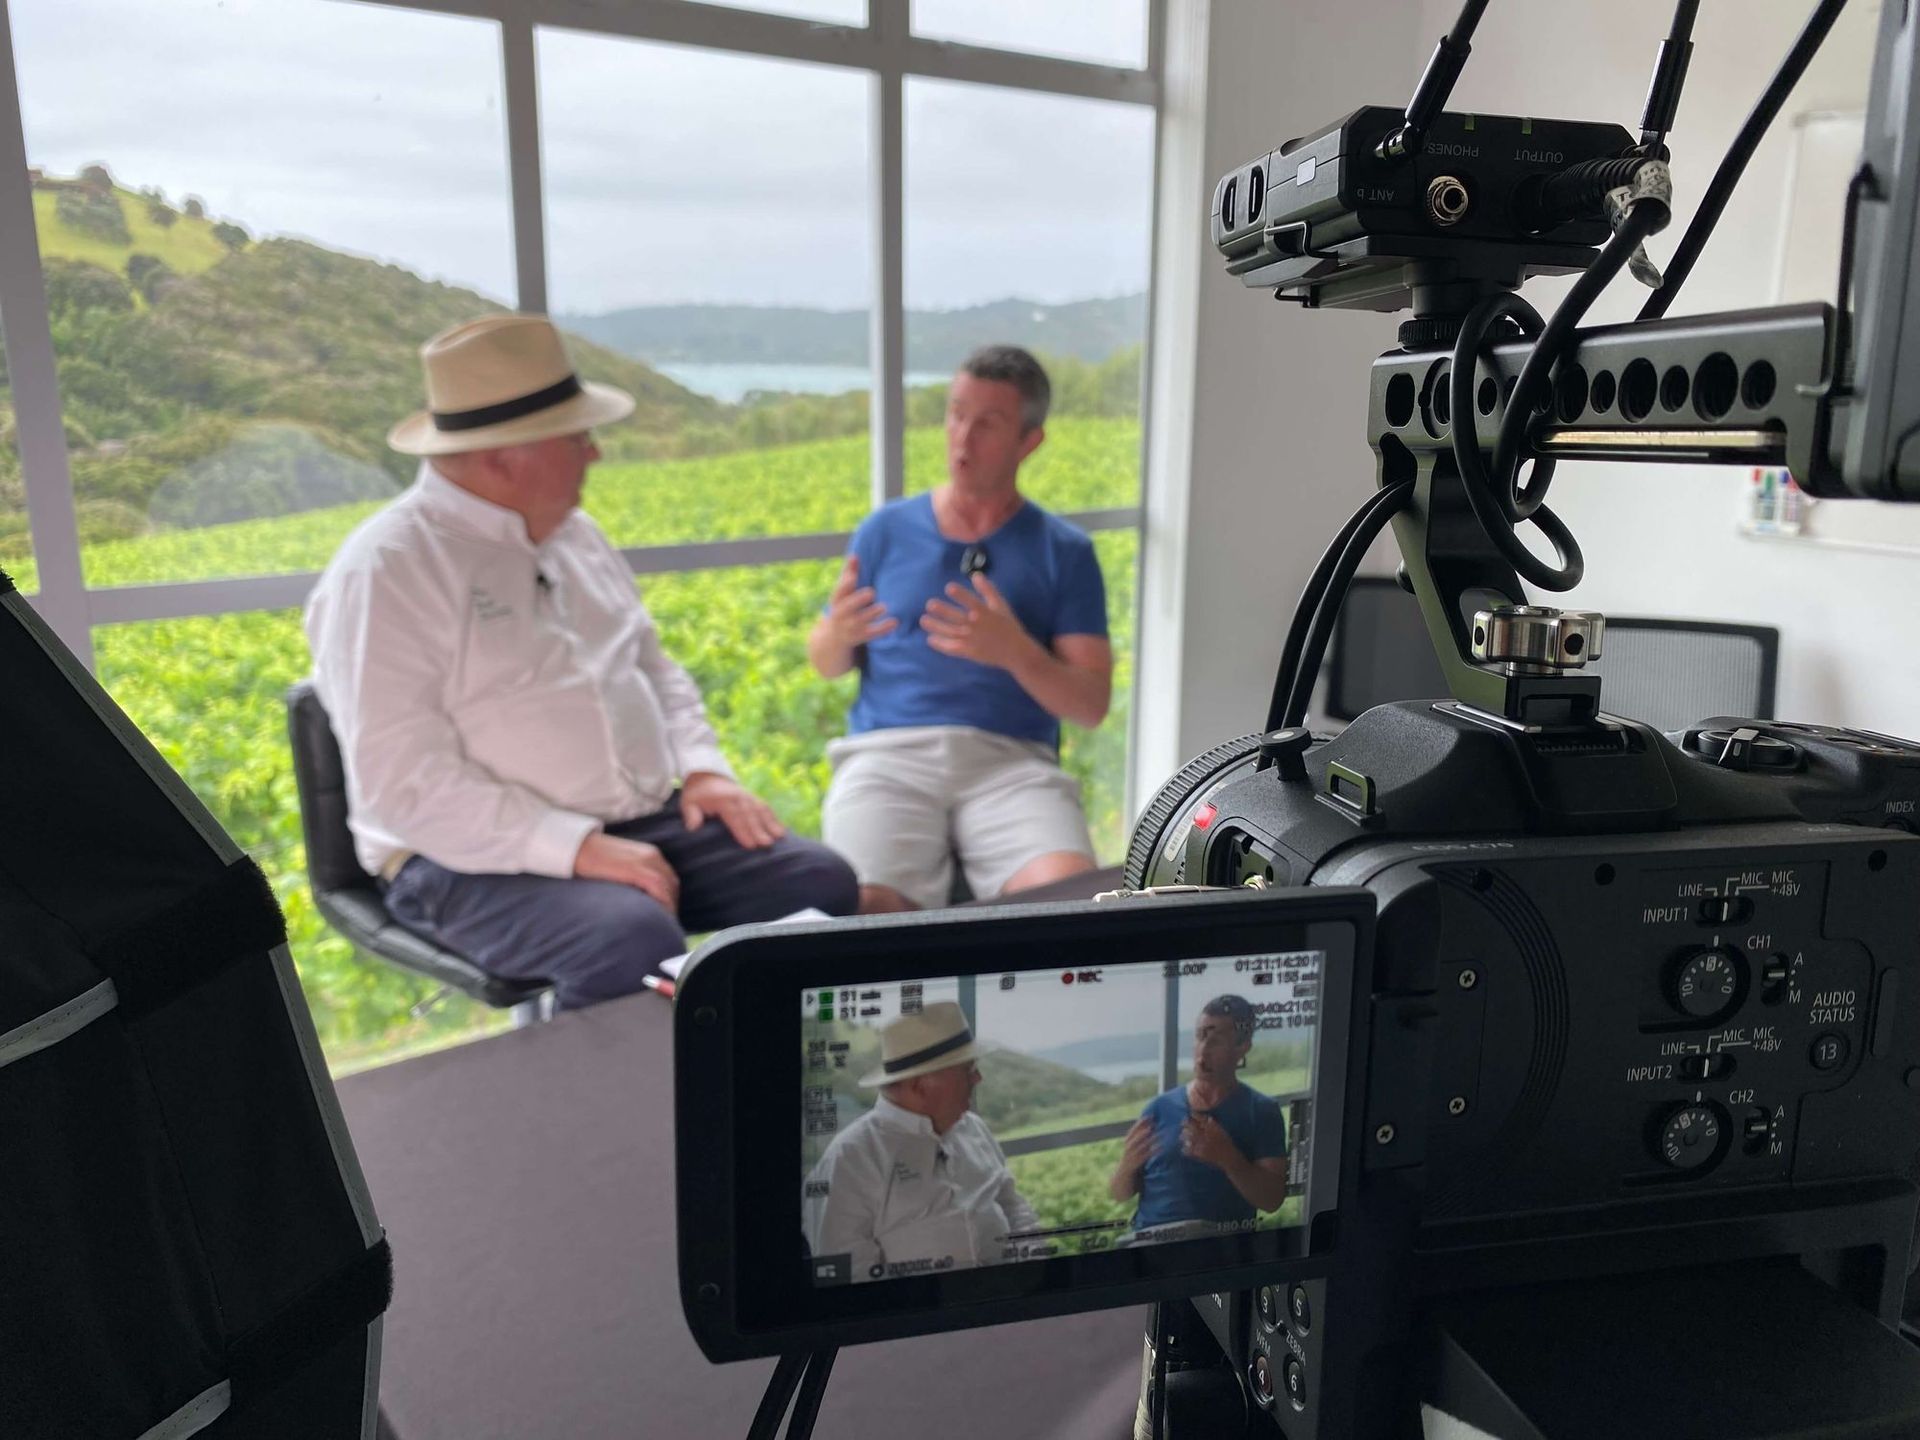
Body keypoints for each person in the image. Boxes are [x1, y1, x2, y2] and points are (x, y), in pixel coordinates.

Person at [303, 314, 857, 1009]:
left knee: (819, 883)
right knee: (625, 938)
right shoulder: (385, 573)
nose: (594, 454)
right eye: (577, 437)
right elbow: (405, 787)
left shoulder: (579, 535)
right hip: (453, 857)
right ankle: (606, 1109)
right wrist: (573, 847)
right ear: (504, 454)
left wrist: (705, 768)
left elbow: (655, 670)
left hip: (640, 819)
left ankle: (767, 1082)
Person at [808, 345, 1112, 913]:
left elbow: (1091, 705)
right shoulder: (884, 531)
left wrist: (1017, 653)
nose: (962, 438)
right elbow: (826, 661)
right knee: (865, 913)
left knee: (1068, 904)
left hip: (1011, 764)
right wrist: (838, 634)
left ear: (1030, 442)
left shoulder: (1064, 552)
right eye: (955, 414)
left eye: (987, 424)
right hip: (886, 758)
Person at [803, 1002, 1039, 1280]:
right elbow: (848, 1280)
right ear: (919, 1085)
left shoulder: (974, 1129)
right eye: (968, 1069)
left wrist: (1033, 1269)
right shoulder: (849, 1160)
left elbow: (1014, 1207)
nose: (978, 1077)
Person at [1108, 995, 1290, 1234]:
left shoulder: (1262, 1111)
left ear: (1242, 1047)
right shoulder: (1157, 1109)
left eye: (1216, 1040)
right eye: (1200, 1036)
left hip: (1219, 1249)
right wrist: (1126, 1167)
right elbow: (1120, 1194)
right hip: (1149, 1244)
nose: (1203, 1050)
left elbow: (1272, 1201)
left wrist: (1228, 1159)